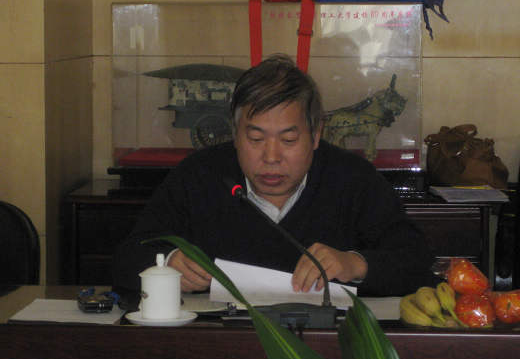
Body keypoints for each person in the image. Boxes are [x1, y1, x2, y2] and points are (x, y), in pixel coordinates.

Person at [113, 54, 436, 297]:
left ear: (316, 134)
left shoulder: (352, 178)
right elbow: (127, 258)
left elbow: (417, 261)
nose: (271, 157)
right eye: (255, 139)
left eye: (289, 140)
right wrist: (168, 263)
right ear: (235, 134)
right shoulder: (199, 174)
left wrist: (355, 264)